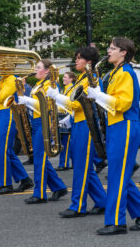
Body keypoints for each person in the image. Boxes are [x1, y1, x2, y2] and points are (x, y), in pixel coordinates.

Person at [86, 37, 140, 235]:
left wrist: (98, 95)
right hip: (117, 125)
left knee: (117, 175)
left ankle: (116, 222)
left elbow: (124, 103)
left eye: (112, 48)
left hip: (125, 125)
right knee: (120, 174)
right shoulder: (116, 72)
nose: (108, 51)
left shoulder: (125, 72)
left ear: (123, 52)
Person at [47, 47, 106, 217]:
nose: (76, 60)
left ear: (88, 61)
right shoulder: (82, 78)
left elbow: (77, 104)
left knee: (81, 166)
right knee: (84, 166)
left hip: (87, 125)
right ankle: (101, 201)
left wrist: (56, 96)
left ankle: (77, 206)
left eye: (79, 58)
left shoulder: (91, 77)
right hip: (79, 123)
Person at [18, 59, 67, 204]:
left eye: (38, 67)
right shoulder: (39, 84)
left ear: (47, 71)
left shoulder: (50, 84)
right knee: (41, 158)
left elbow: (47, 106)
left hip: (44, 123)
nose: (35, 70)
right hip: (36, 121)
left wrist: (26, 100)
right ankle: (58, 187)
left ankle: (39, 194)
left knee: (40, 158)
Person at [0, 73, 34, 195]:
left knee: (3, 150)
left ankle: (5, 184)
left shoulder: (12, 79)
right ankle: (25, 179)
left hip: (8, 114)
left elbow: (0, 97)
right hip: (1, 114)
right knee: (7, 151)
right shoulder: (3, 78)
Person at [55, 72, 76, 171]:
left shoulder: (72, 89)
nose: (63, 78)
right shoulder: (65, 89)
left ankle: (64, 164)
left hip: (67, 117)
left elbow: (68, 102)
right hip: (62, 116)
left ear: (71, 79)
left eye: (66, 77)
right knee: (67, 142)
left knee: (66, 141)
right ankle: (74, 161)